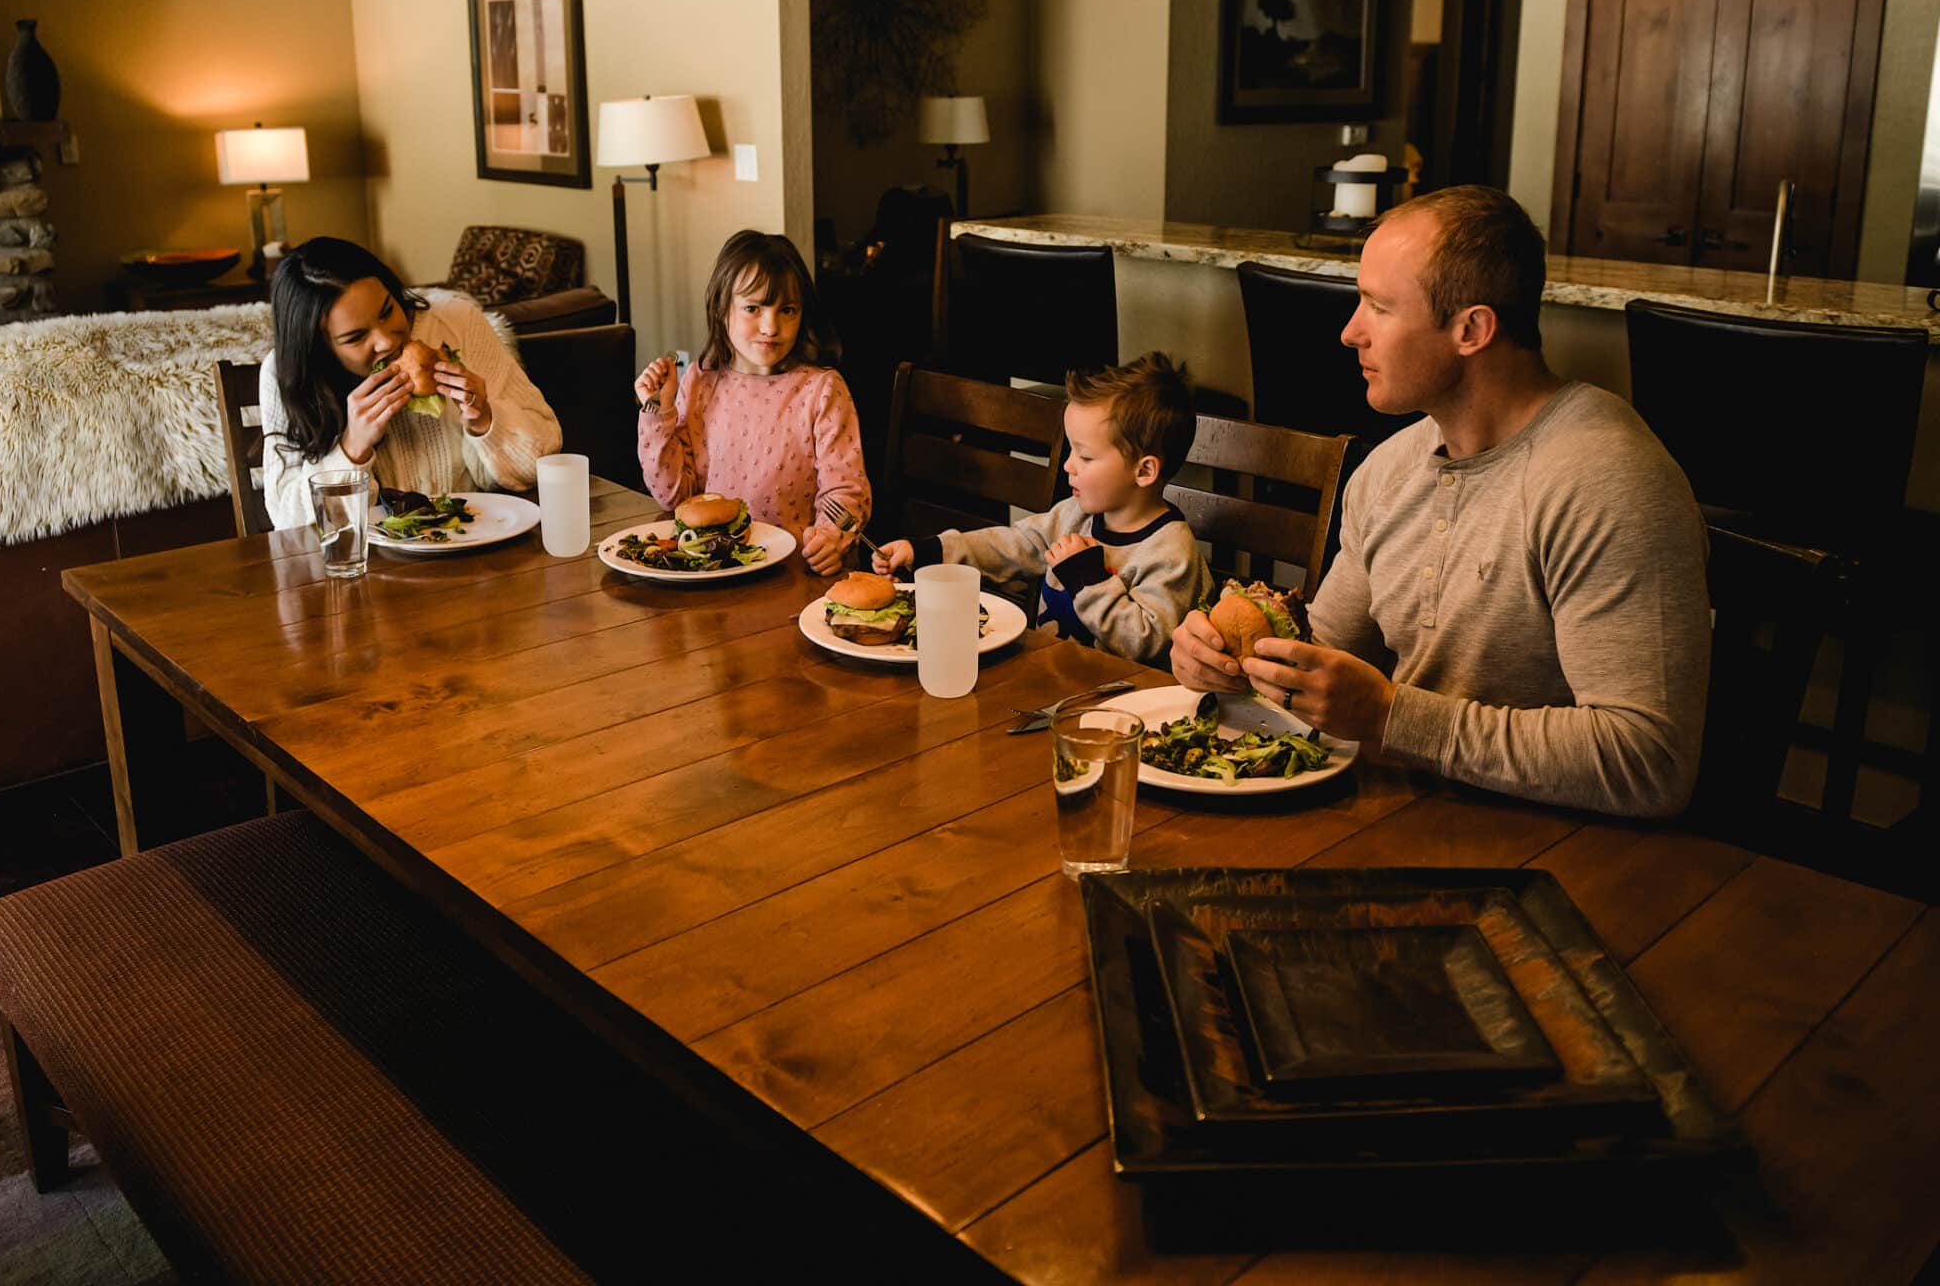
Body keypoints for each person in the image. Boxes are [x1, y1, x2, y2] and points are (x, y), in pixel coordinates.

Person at [1169, 186, 1710, 818]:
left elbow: (1650, 763)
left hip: (1559, 850)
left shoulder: (1607, 481)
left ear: (1472, 329)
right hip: (1396, 812)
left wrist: (1394, 717)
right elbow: (1331, 652)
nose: (1349, 332)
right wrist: (1231, 662)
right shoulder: (1390, 468)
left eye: (1378, 306)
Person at [872, 354, 1211, 668]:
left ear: (1144, 471)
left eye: (1086, 456)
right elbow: (1011, 545)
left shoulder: (1170, 553)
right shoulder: (1073, 516)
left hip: (1126, 709)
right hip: (1047, 681)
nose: (1068, 466)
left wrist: (1089, 580)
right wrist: (929, 552)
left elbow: (1148, 643)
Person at [259, 237, 562, 531]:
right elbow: (288, 523)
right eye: (355, 337)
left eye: (388, 311)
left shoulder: (457, 323)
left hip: (480, 547)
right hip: (367, 568)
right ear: (319, 348)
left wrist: (485, 419)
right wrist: (353, 448)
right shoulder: (283, 373)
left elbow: (544, 460)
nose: (388, 340)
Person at [635, 229, 869, 577]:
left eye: (786, 310)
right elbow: (674, 496)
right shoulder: (701, 381)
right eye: (752, 308)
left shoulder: (822, 389)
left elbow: (846, 490)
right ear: (722, 310)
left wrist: (830, 539)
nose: (770, 326)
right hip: (715, 573)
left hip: (795, 573)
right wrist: (659, 410)